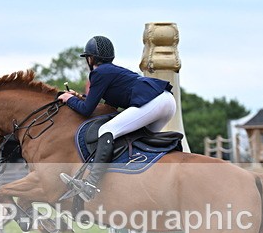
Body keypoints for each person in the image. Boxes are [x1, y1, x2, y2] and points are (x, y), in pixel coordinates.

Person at [57, 35, 176, 201]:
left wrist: (69, 99)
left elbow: (86, 110)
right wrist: (79, 96)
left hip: (155, 102)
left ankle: (91, 184)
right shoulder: (110, 71)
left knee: (107, 130)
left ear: (90, 58)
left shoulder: (99, 73)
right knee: (138, 141)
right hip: (165, 102)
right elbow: (94, 102)